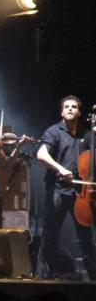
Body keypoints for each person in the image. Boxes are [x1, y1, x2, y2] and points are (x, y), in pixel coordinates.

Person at [36, 95, 96, 280]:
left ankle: (94, 279)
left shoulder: (86, 136)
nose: (70, 109)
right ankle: (44, 277)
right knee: (51, 233)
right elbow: (41, 154)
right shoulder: (54, 132)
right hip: (58, 190)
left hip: (81, 193)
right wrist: (61, 169)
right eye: (67, 107)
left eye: (74, 107)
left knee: (86, 237)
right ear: (62, 111)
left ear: (79, 112)